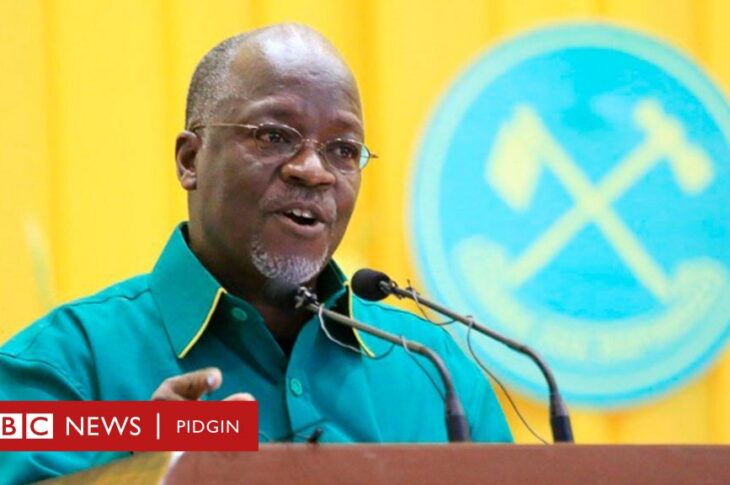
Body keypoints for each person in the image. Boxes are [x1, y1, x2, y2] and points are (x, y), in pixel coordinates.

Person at [0, 24, 512, 483]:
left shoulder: (434, 372)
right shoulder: (62, 367)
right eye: (274, 136)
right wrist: (143, 474)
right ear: (190, 160)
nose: (313, 170)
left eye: (342, 150)